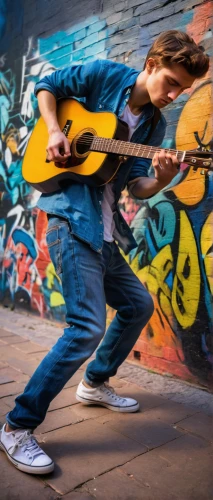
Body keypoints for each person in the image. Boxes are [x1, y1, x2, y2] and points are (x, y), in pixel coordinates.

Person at [0, 30, 209, 475]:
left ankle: (95, 383)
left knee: (137, 304)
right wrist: (55, 131)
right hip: (71, 221)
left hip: (107, 233)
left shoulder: (153, 126)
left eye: (182, 90)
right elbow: (48, 86)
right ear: (151, 64)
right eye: (170, 82)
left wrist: (167, 177)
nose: (173, 95)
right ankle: (17, 425)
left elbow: (137, 185)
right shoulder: (103, 76)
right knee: (86, 326)